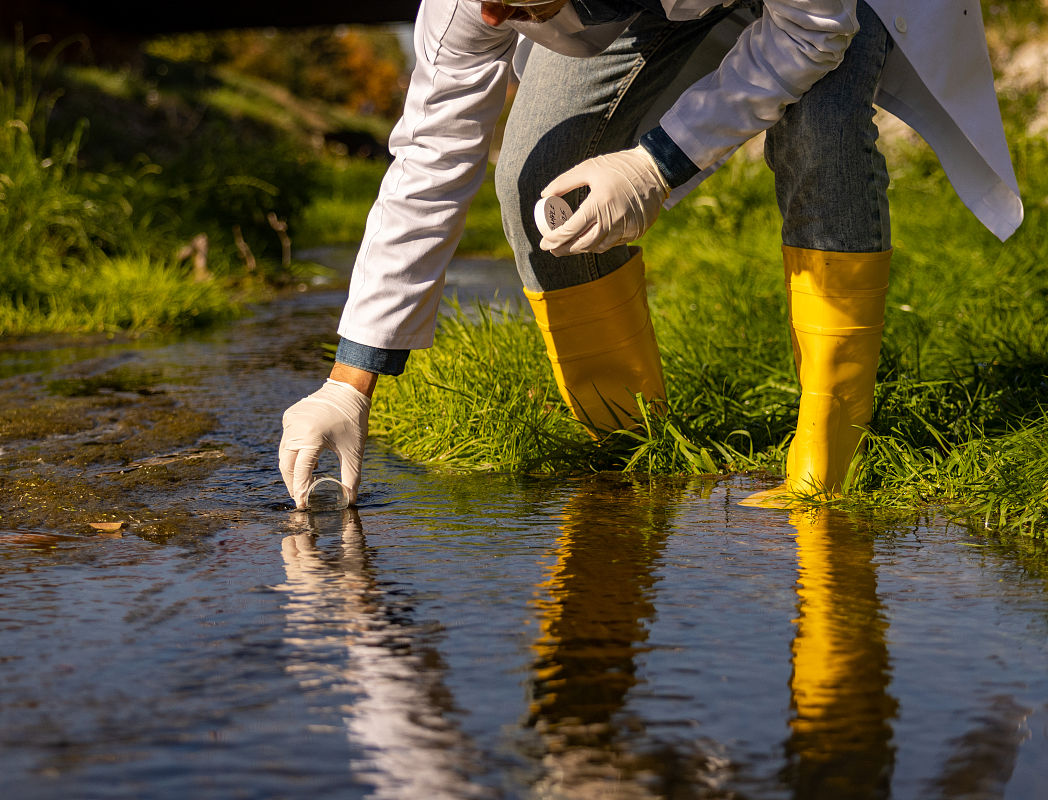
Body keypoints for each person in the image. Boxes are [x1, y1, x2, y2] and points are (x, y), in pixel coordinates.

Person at [278, 0, 1022, 510]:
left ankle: (828, 464)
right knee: (537, 175)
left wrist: (655, 166)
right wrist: (350, 382)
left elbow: (810, 28)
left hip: (815, 6)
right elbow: (433, 152)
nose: (497, 17)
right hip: (639, 7)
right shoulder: (480, 4)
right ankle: (635, 454)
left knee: (820, 128)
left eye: (517, 4)